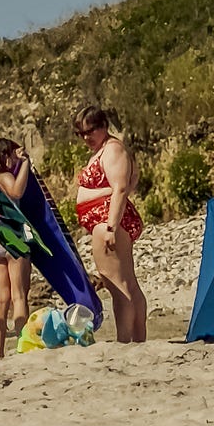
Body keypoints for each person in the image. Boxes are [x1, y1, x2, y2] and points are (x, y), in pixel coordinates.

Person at [73, 105, 147, 343]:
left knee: (117, 284)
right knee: (125, 282)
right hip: (105, 219)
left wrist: (111, 227)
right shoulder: (107, 149)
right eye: (81, 133)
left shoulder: (113, 150)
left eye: (90, 130)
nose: (86, 137)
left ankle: (126, 339)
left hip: (107, 220)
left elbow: (121, 188)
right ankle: (136, 338)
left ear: (103, 126)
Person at [0, 137, 32, 356]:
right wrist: (25, 165)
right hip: (11, 234)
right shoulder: (4, 176)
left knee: (0, 298)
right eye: (13, 155)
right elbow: (16, 192)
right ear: (5, 156)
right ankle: (22, 346)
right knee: (19, 295)